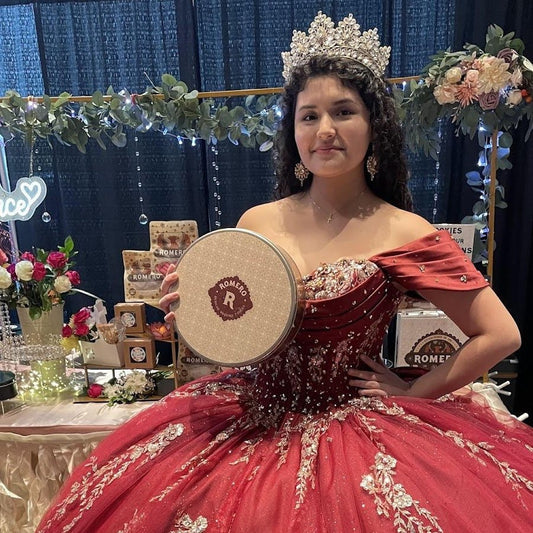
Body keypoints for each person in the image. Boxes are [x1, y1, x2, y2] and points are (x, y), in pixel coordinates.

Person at [37, 12, 533, 533]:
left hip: (358, 434)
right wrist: (196, 311)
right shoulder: (258, 222)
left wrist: (413, 394)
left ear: (374, 126)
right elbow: (241, 331)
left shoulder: (405, 231)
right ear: (292, 130)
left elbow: (500, 333)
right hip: (248, 415)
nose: (325, 130)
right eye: (308, 116)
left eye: (343, 111)